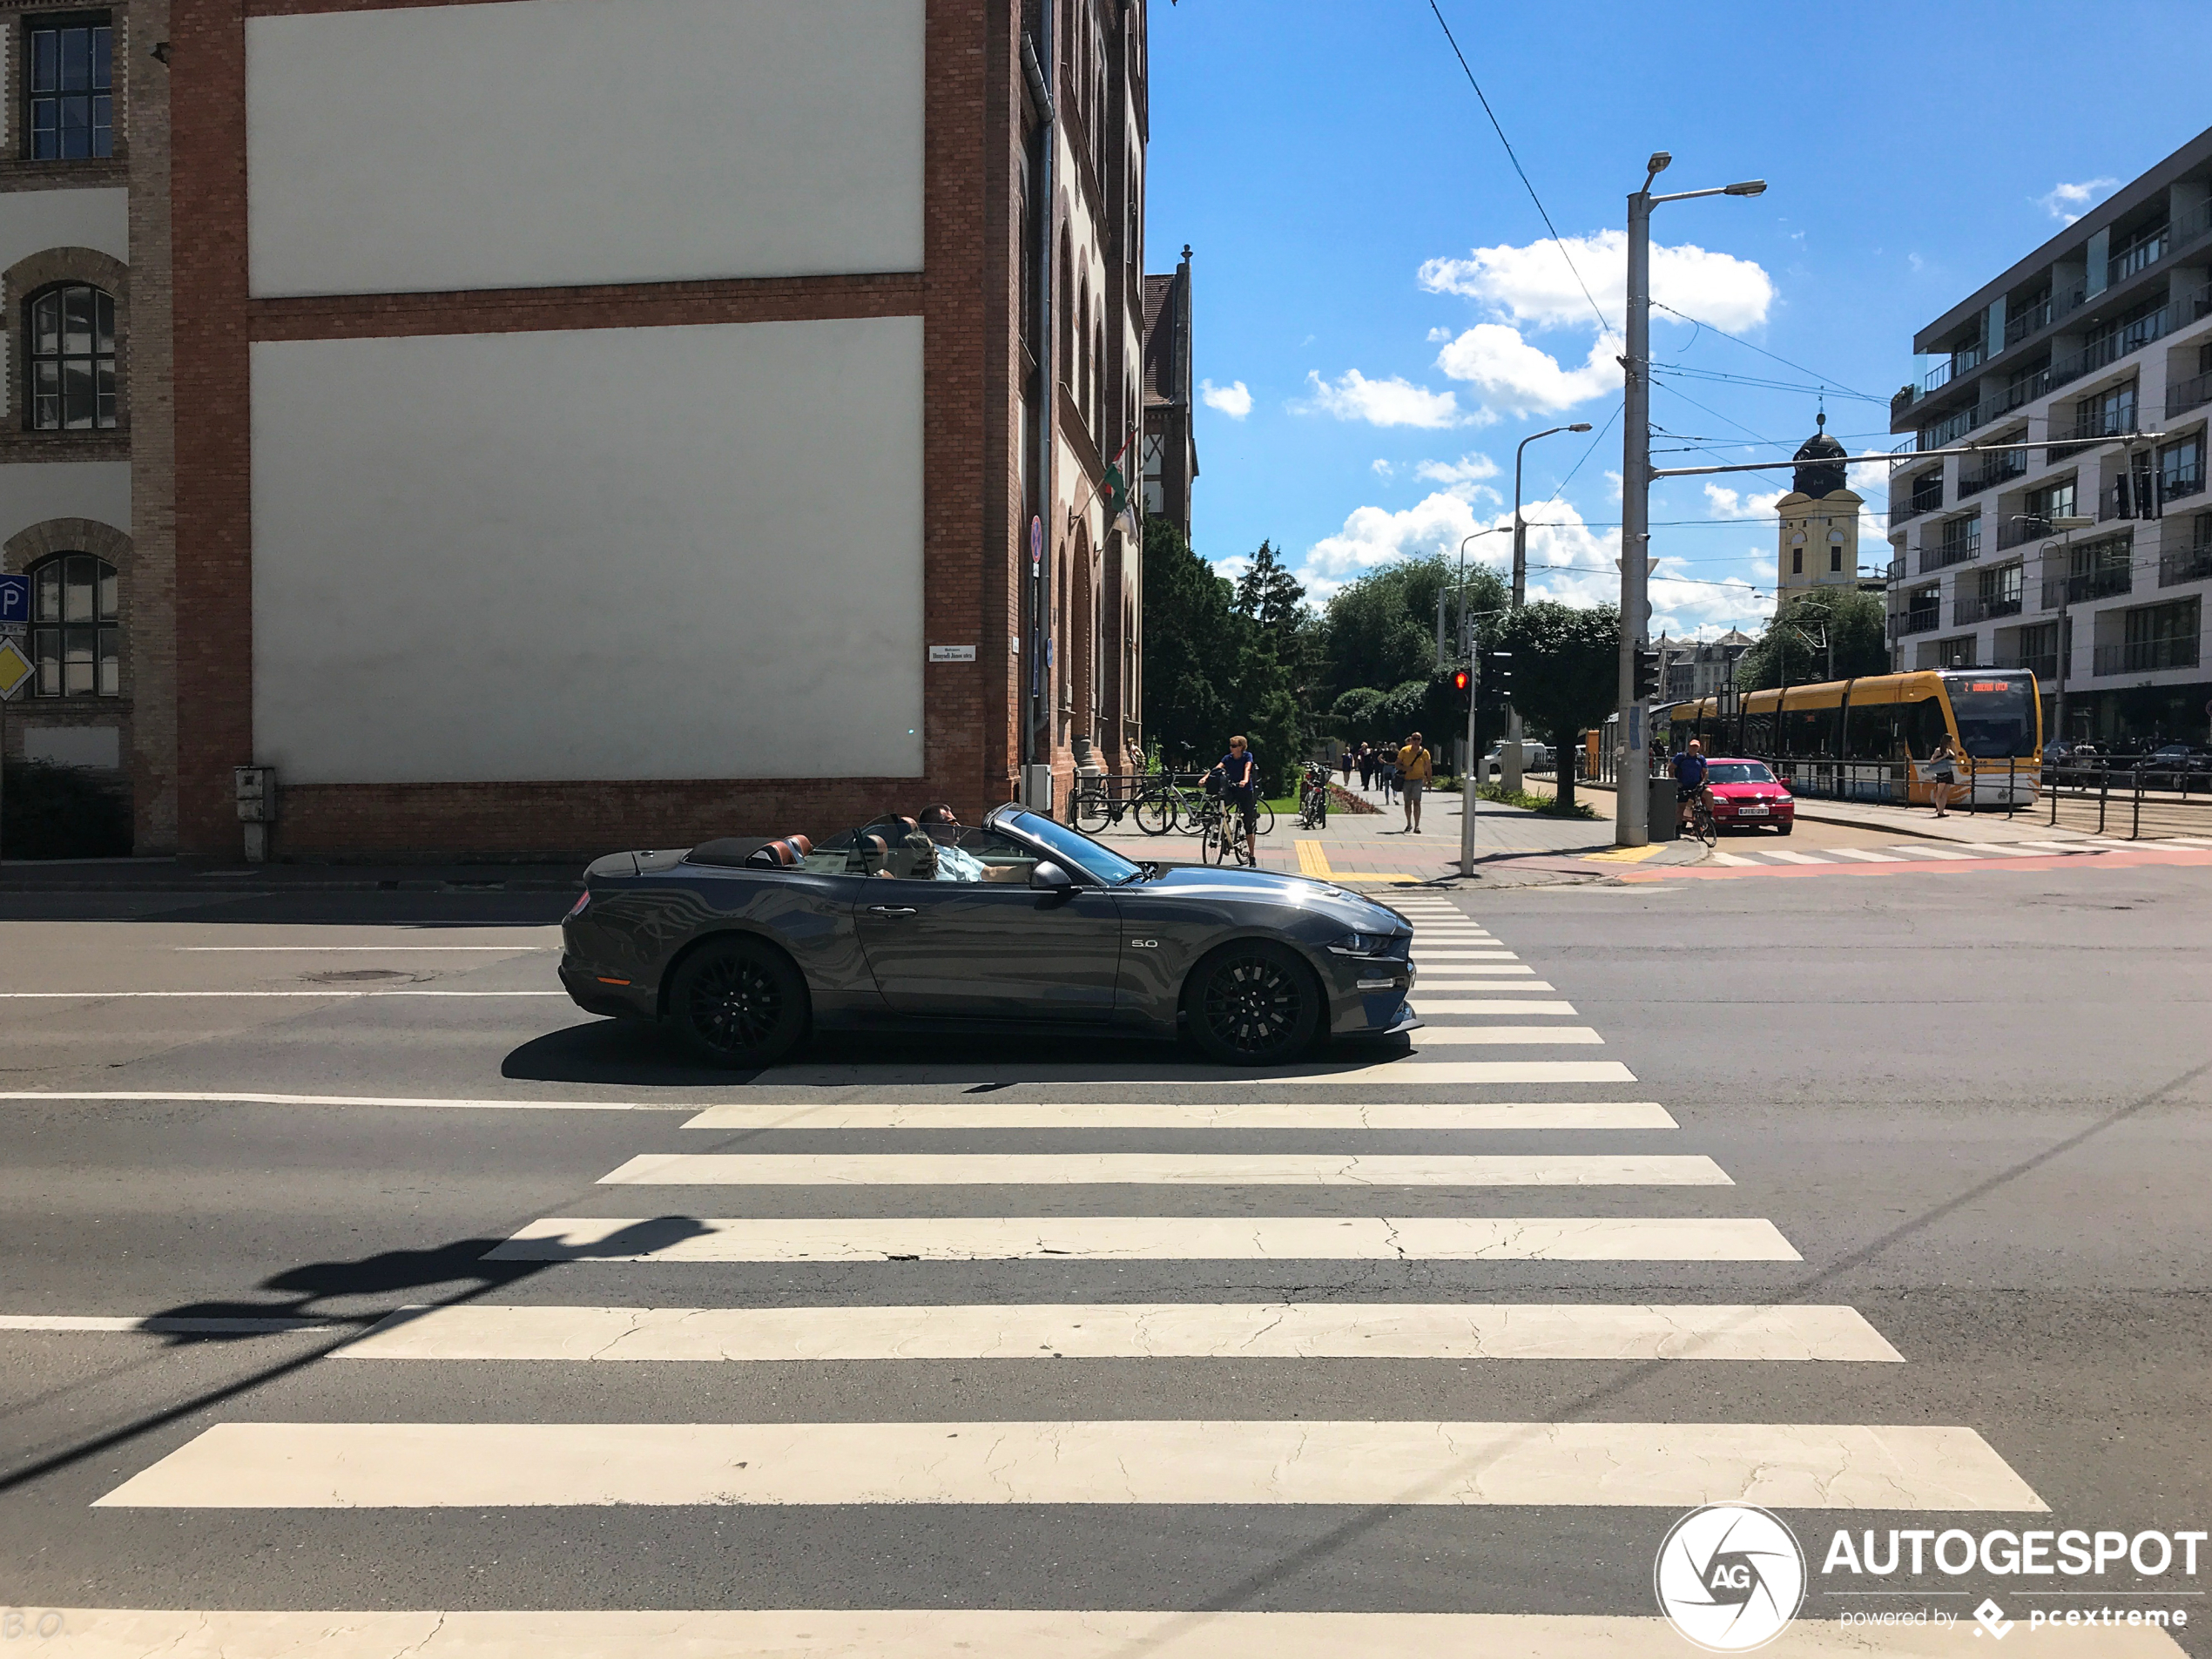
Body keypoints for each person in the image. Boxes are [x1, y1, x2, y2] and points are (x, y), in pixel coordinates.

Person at [1212, 733, 1261, 865]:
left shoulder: (1247, 756)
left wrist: (1245, 780)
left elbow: (1247, 768)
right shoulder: (1228, 758)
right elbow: (1217, 768)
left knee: (1248, 824)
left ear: (1241, 747)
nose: (1231, 748)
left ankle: (1252, 856)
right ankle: (1225, 822)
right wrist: (1206, 777)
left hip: (1245, 790)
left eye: (1234, 746)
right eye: (1231, 745)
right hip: (1232, 788)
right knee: (1220, 805)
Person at [916, 803, 989, 881]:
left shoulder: (957, 852)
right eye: (951, 823)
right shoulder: (936, 860)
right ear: (935, 829)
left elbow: (989, 873)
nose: (958, 826)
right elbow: (952, 891)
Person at [1396, 732, 1433, 833]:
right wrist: (1405, 768)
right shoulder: (1404, 751)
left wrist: (1429, 781)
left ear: (1421, 741)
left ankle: (1417, 826)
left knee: (1417, 802)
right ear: (1411, 740)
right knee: (1407, 803)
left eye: (1418, 739)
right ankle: (1409, 823)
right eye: (1414, 739)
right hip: (1406, 780)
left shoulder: (1425, 752)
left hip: (1418, 779)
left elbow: (1429, 767)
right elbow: (1397, 764)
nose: (1416, 741)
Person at [1670, 738, 1710, 830]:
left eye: (1696, 747)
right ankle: (1678, 829)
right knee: (1681, 808)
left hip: (1696, 785)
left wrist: (1702, 782)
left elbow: (1705, 772)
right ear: (1689, 747)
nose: (1694, 748)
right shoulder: (1681, 757)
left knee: (1709, 794)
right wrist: (1674, 781)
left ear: (1699, 748)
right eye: (1692, 746)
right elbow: (1671, 768)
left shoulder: (1700, 759)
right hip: (1683, 785)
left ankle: (1709, 816)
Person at [1927, 732, 1963, 818]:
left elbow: (1956, 757)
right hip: (1941, 773)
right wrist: (1943, 757)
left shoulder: (1949, 750)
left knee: (1945, 793)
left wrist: (1953, 747)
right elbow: (1932, 761)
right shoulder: (1938, 750)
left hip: (1948, 772)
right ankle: (1939, 811)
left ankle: (1942, 810)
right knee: (1940, 793)